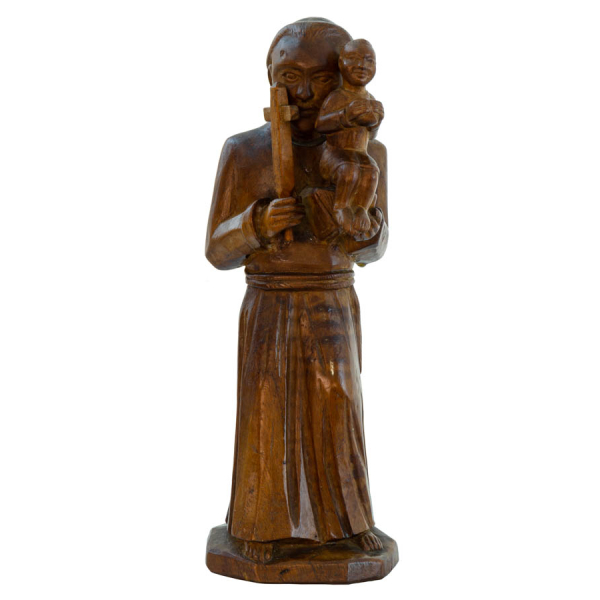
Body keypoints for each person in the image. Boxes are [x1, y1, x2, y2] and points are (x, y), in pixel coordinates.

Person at [205, 18, 389, 563]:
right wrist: (256, 223)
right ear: (269, 77)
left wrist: (361, 229)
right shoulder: (245, 151)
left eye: (320, 78)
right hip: (270, 300)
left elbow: (377, 245)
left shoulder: (366, 152)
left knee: (340, 406)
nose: (304, 92)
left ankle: (348, 525)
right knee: (268, 410)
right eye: (290, 77)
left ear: (345, 81)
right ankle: (259, 528)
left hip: (332, 297)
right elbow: (216, 249)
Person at [316, 39, 384, 235]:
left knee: (372, 172)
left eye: (369, 61)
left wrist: (376, 121)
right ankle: (341, 207)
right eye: (353, 59)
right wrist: (345, 115)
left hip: (359, 154)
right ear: (341, 63)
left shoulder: (370, 99)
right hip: (334, 156)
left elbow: (371, 136)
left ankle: (361, 208)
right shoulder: (337, 96)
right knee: (349, 170)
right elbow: (320, 125)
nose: (362, 65)